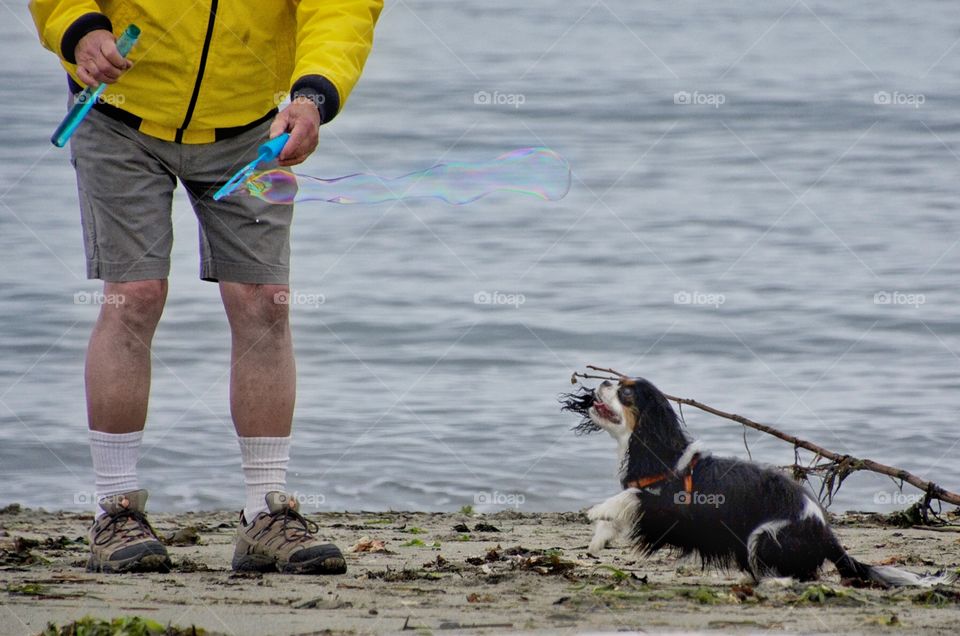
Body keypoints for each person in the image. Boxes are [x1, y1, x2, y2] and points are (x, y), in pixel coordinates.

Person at [29, 0, 382, 574]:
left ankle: (264, 513)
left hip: (251, 127)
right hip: (118, 114)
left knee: (265, 301)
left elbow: (341, 8)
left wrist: (313, 94)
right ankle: (115, 511)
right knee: (134, 294)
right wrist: (79, 28)